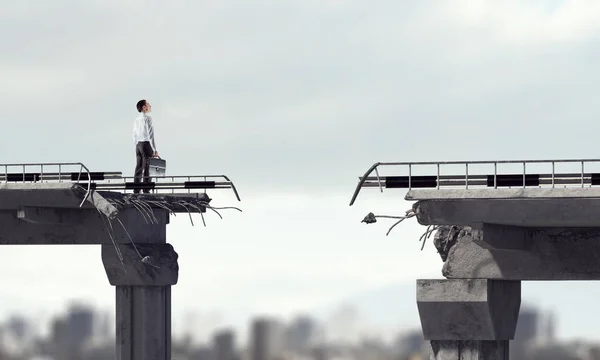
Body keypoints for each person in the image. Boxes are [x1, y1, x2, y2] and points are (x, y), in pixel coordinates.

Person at [132, 99, 159, 194]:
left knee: (139, 167)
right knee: (148, 167)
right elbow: (151, 135)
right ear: (144, 107)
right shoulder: (148, 119)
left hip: (138, 145)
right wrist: (155, 149)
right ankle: (146, 189)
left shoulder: (136, 120)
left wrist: (137, 145)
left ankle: (136, 189)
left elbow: (134, 134)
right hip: (146, 144)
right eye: (148, 104)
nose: (150, 105)